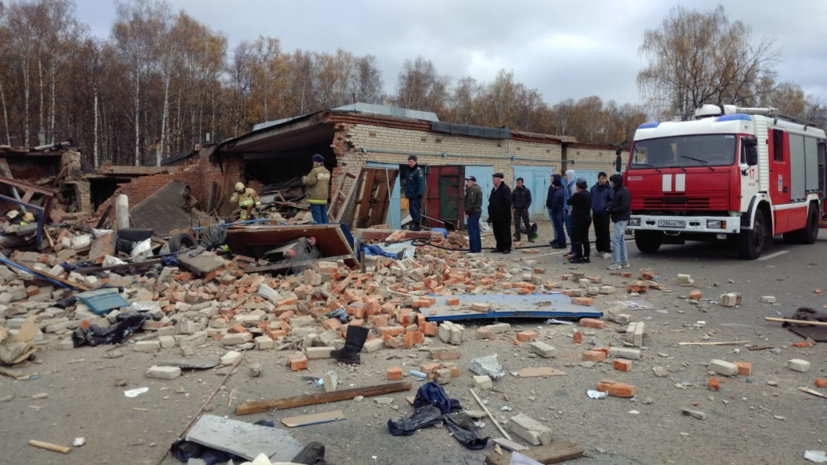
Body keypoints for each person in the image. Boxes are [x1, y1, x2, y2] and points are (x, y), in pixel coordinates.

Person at [607, 173, 632, 270]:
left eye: (612, 181)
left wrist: (613, 210)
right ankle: (624, 262)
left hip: (621, 219)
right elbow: (617, 203)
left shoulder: (624, 191)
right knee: (621, 241)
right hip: (619, 218)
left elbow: (625, 206)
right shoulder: (617, 191)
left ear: (616, 182)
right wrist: (610, 208)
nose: (611, 183)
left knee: (616, 240)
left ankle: (616, 263)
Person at [567, 177, 593, 263]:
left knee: (577, 239)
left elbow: (569, 201)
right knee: (585, 238)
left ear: (578, 186)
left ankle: (579, 256)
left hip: (578, 219)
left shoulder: (578, 195)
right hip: (587, 218)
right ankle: (586, 257)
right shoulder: (588, 194)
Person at [488, 172, 513, 254]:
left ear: (498, 180)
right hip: (495, 216)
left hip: (503, 216)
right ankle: (499, 247)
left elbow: (507, 202)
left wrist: (499, 210)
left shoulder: (505, 189)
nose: (492, 181)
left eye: (493, 179)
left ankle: (506, 247)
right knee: (497, 232)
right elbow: (491, 201)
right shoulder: (494, 189)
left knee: (505, 232)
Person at [590, 172, 614, 258]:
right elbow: (591, 199)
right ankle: (599, 249)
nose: (603, 180)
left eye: (604, 178)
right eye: (601, 178)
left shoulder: (608, 189)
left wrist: (606, 208)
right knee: (597, 232)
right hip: (595, 213)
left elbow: (611, 200)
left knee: (605, 232)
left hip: (604, 213)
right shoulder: (594, 189)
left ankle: (607, 250)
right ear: (598, 179)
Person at [303, 154, 331, 224]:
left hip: (315, 197)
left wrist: (304, 178)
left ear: (316, 162)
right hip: (324, 197)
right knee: (324, 214)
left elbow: (309, 182)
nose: (313, 163)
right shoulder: (327, 171)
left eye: (313, 161)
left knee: (317, 215)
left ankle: (320, 230)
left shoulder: (315, 171)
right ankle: (326, 228)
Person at [405, 155, 426, 230]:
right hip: (411, 195)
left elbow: (421, 183)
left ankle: (417, 226)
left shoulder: (418, 171)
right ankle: (414, 224)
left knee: (415, 210)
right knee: (411, 211)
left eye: (411, 161)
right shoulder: (409, 171)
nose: (410, 163)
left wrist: (420, 193)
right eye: (409, 161)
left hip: (416, 195)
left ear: (415, 161)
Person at [464, 175, 483, 253]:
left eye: (468, 182)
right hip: (476, 212)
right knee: (476, 231)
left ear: (471, 182)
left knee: (472, 232)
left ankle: (474, 249)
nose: (467, 183)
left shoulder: (473, 190)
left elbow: (471, 202)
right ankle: (477, 248)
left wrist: (467, 212)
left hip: (473, 213)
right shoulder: (476, 188)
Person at [512, 177, 533, 242]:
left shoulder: (527, 190)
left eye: (520, 182)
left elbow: (529, 200)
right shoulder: (514, 191)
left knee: (527, 223)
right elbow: (512, 200)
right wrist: (513, 208)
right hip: (517, 210)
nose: (519, 184)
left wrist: (526, 207)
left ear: (522, 183)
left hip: (524, 210)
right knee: (517, 224)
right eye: (517, 183)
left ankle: (530, 237)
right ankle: (518, 237)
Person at [549, 177, 567, 250]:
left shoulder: (557, 193)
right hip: (563, 212)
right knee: (560, 228)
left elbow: (554, 205)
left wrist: (553, 212)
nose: (552, 186)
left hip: (557, 213)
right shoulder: (563, 191)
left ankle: (561, 243)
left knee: (558, 229)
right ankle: (561, 242)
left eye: (553, 185)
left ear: (555, 185)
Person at [564, 169, 576, 256]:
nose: (564, 177)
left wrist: (570, 212)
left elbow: (574, 201)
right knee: (569, 232)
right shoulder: (567, 186)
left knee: (573, 233)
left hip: (571, 213)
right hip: (566, 212)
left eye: (566, 175)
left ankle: (575, 250)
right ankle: (572, 249)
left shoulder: (573, 187)